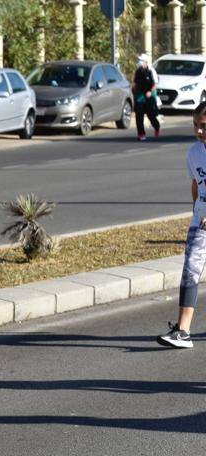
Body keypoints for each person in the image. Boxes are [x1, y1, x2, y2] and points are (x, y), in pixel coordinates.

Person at [158, 101, 206, 348]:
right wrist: (197, 211)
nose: (199, 131)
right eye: (195, 125)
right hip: (202, 222)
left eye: (204, 126)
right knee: (190, 270)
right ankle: (183, 332)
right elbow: (196, 183)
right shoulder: (194, 153)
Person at [133, 53, 161, 141]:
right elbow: (136, 83)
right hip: (140, 94)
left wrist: (150, 91)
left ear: (146, 62)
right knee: (139, 114)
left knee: (150, 114)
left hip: (150, 94)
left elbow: (155, 84)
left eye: (141, 61)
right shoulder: (138, 71)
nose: (139, 62)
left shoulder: (151, 71)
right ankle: (141, 134)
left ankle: (156, 126)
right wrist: (134, 89)